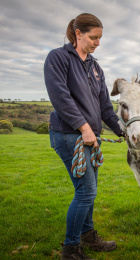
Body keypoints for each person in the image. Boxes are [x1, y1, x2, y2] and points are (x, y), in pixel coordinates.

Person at [44, 13, 124, 259]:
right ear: (78, 34)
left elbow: (104, 107)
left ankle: (88, 237)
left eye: (100, 38)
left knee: (90, 190)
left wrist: (123, 130)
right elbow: (60, 98)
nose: (97, 42)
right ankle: (70, 249)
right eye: (93, 37)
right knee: (86, 191)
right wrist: (84, 127)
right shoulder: (58, 58)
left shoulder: (95, 66)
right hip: (69, 135)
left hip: (91, 138)